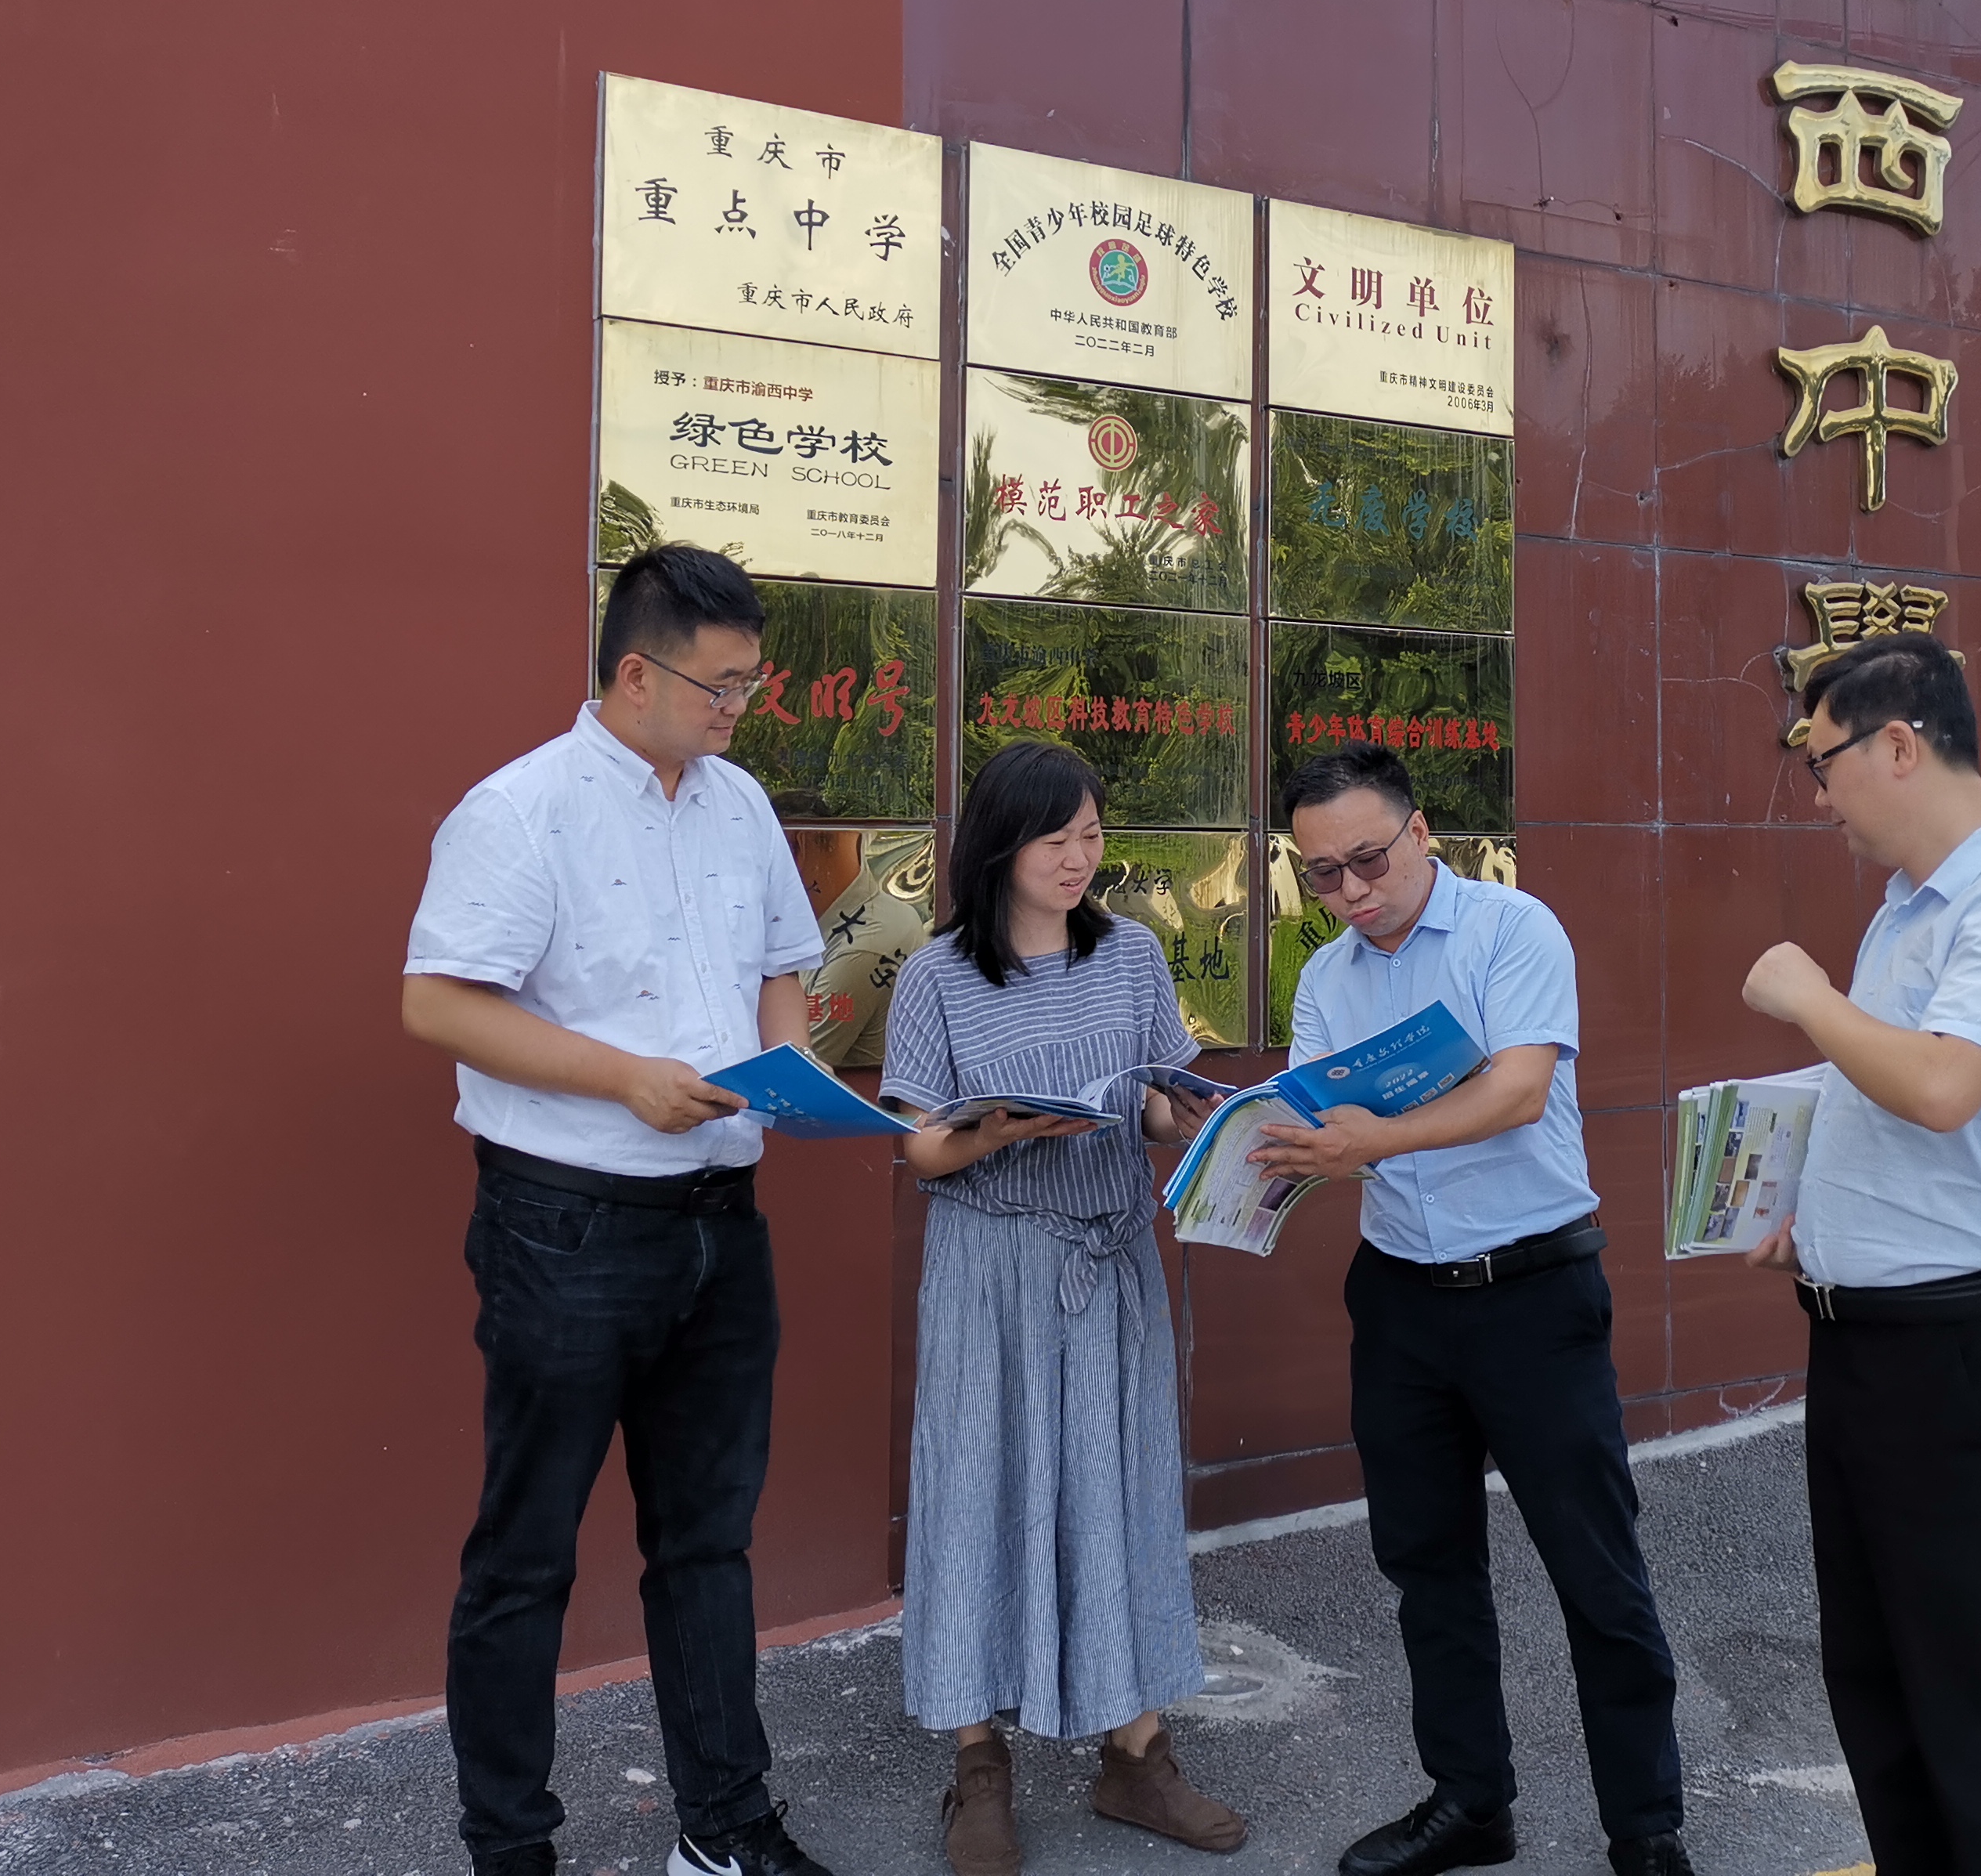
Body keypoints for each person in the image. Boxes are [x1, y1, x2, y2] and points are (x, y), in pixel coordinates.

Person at [401, 544, 833, 1876]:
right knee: (526, 1552)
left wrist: (790, 1064)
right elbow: (440, 1002)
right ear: (635, 674)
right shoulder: (520, 810)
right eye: (721, 684)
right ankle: (510, 1846)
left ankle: (727, 1825)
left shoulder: (739, 802)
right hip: (568, 1226)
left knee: (708, 1539)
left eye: (753, 683)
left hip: (722, 1219)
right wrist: (625, 1079)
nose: (741, 706)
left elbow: (782, 966)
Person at [1259, 742, 1690, 1876]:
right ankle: (1470, 1801)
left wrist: (1376, 1136)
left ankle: (1646, 1828)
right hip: (1401, 1297)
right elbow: (1319, 1126)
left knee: (1595, 1570)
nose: (1351, 892)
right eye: (1322, 875)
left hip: (1532, 1293)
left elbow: (1519, 1088)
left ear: (1420, 833)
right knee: (1427, 1566)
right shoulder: (1326, 981)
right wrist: (1261, 1150)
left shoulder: (1512, 930)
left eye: (1367, 860)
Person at [1737, 634, 1981, 1876]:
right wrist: (1818, 1213)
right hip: (1868, 1348)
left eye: (1824, 761)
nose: (1818, 795)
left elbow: (1946, 1087)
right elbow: (1897, 1105)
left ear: (1899, 745)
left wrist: (1808, 997)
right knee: (1887, 1691)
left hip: (1969, 1358)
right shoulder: (1908, 912)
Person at [881, 740, 1248, 1876]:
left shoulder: (1129, 953)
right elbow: (918, 1151)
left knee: (1119, 1493)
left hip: (1110, 1259)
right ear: (1001, 846)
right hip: (990, 1272)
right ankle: (978, 1765)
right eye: (1057, 839)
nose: (1081, 858)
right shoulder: (938, 974)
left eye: (1092, 835)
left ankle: (1137, 1755)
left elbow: (1155, 1102)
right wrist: (993, 1130)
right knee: (975, 1496)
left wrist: (1202, 1119)